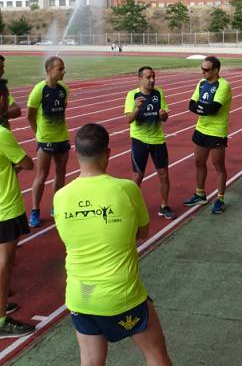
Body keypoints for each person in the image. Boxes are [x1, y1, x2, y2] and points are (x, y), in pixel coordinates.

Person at [53, 123, 172, 366]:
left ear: (75, 153)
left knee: (90, 362)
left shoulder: (60, 196)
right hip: (122, 294)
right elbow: (142, 232)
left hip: (81, 296)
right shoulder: (126, 189)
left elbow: (70, 236)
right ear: (108, 153)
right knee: (156, 354)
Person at [0, 79, 36, 338]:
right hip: (5, 207)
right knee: (5, 264)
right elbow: (27, 163)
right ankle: (2, 319)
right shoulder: (2, 135)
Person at [124, 66, 174, 220]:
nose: (152, 80)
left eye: (153, 77)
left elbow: (165, 118)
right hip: (139, 139)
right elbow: (128, 120)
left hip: (158, 139)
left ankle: (164, 206)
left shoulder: (159, 93)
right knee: (137, 176)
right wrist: (136, 109)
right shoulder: (132, 95)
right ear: (140, 79)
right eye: (148, 77)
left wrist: (163, 114)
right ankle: (132, 207)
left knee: (163, 174)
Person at [183, 56, 232, 214]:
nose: (202, 72)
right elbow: (191, 105)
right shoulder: (201, 83)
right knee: (198, 162)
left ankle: (220, 198)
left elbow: (214, 108)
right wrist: (204, 108)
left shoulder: (223, 85)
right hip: (201, 129)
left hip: (217, 131)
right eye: (202, 69)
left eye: (206, 69)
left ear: (216, 70)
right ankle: (200, 194)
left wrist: (201, 108)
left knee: (218, 165)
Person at [27, 56, 70, 228]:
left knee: (61, 173)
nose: (63, 71)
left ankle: (56, 206)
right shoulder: (39, 90)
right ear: (49, 70)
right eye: (60, 69)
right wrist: (38, 134)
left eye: (63, 68)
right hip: (45, 140)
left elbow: (62, 110)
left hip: (62, 138)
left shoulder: (64, 88)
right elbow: (29, 115)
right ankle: (35, 211)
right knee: (42, 175)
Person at [0, 54, 21, 128]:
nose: (3, 72)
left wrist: (3, 114)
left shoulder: (3, 88)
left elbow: (17, 110)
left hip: (4, 135)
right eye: (1, 68)